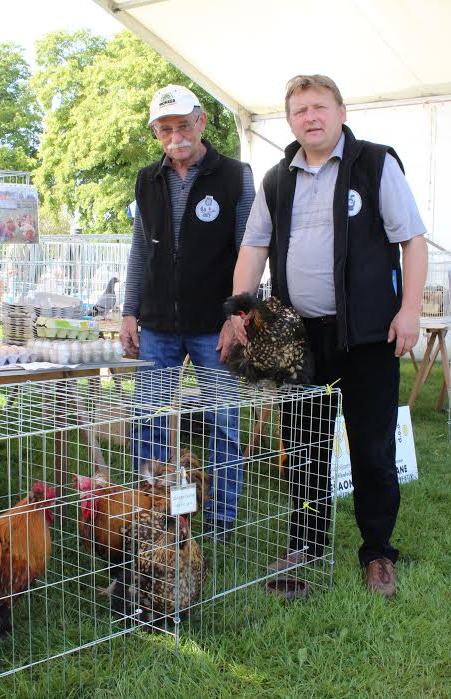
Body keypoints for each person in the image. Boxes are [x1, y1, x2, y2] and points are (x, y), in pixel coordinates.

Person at [225, 74, 428, 599]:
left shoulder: (376, 164)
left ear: (341, 111)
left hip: (367, 336)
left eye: (319, 107)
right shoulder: (275, 180)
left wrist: (409, 310)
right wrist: (237, 313)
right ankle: (309, 542)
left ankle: (378, 552)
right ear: (290, 121)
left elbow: (413, 242)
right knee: (306, 447)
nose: (310, 117)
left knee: (373, 447)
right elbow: (253, 250)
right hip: (298, 344)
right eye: (299, 111)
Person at [122, 85, 255, 538]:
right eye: (165, 129)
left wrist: (238, 316)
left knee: (224, 421)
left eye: (182, 126)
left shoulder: (236, 175)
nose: (175, 137)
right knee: (148, 419)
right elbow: (140, 249)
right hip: (157, 323)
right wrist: (128, 311)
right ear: (156, 133)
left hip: (213, 324)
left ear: (201, 122)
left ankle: (220, 518)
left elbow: (248, 250)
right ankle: (153, 511)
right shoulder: (146, 179)